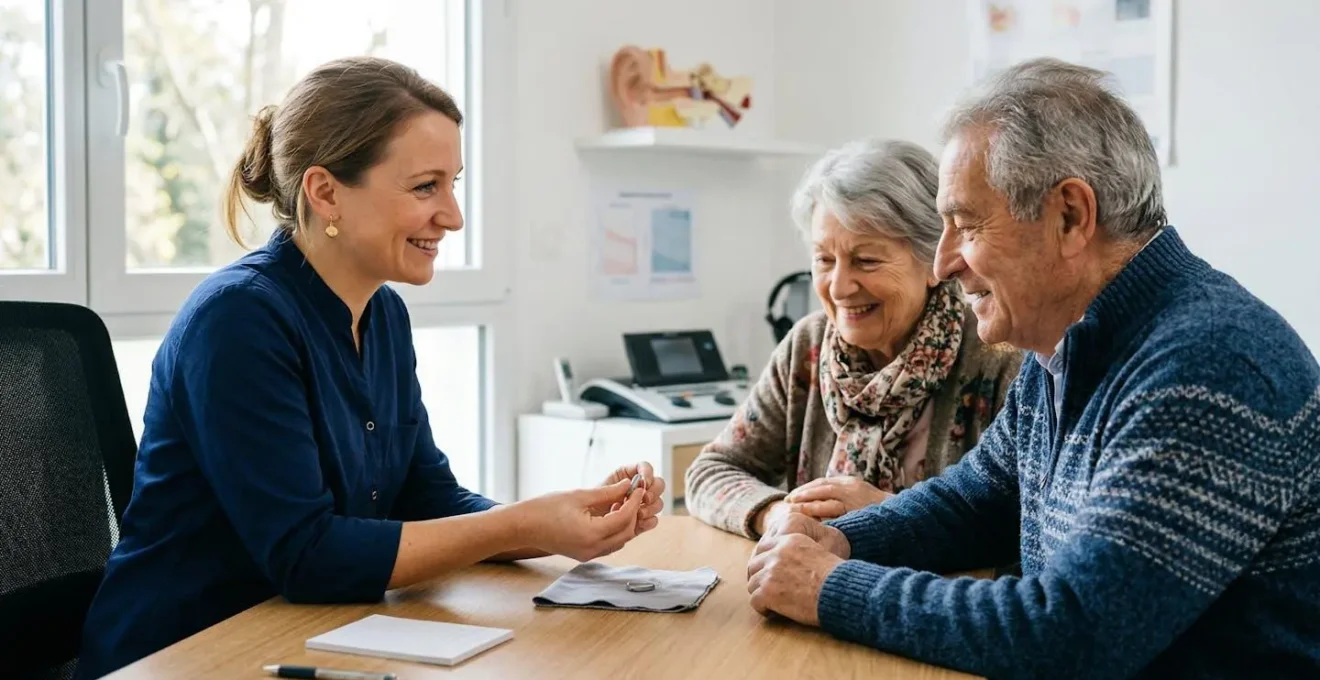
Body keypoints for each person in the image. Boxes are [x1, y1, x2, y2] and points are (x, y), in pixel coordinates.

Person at [75, 56, 665, 679]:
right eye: (424, 187)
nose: (453, 216)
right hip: (187, 650)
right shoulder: (237, 321)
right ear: (325, 191)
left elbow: (426, 497)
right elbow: (308, 556)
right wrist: (519, 523)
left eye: (453, 183)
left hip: (306, 637)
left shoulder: (383, 315)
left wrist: (563, 521)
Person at [745, 57, 1320, 678]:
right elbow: (976, 500)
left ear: (1070, 216)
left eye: (965, 225)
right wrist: (848, 540)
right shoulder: (1068, 345)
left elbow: (1071, 631)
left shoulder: (1208, 365)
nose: (943, 264)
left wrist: (831, 587)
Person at [684, 139, 1023, 539]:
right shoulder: (808, 347)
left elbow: (1026, 519)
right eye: (824, 260)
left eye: (867, 261)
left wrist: (892, 515)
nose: (840, 287)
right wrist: (775, 514)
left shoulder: (998, 355)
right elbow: (711, 471)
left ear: (934, 262)